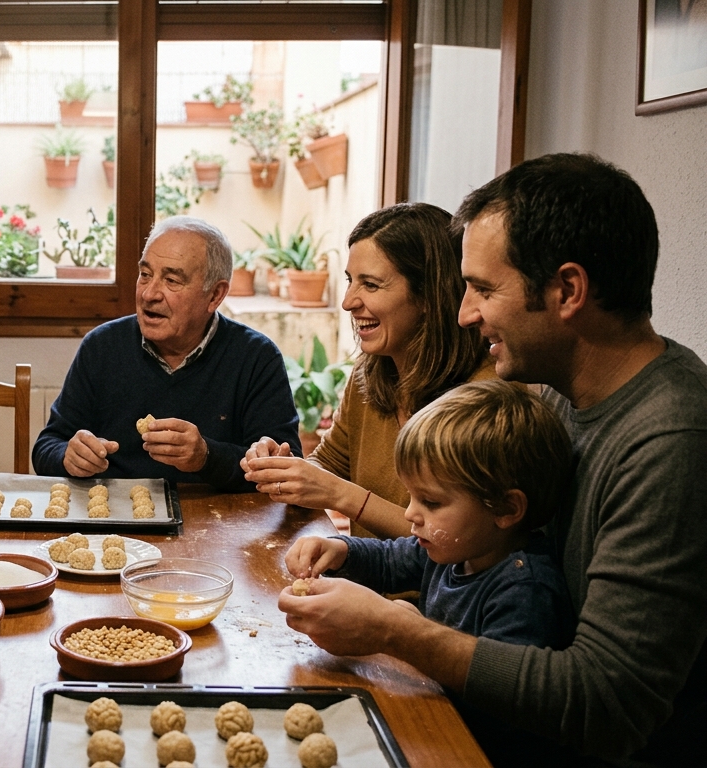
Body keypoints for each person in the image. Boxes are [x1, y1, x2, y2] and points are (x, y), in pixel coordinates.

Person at [277, 153, 707, 764]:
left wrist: (395, 630)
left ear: (567, 290)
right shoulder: (555, 395)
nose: (464, 313)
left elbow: (605, 704)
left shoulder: (670, 441)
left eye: (482, 289)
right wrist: (358, 556)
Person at [287, 379, 574, 764]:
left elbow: (502, 713)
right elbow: (390, 559)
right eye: (411, 496)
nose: (409, 514)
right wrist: (339, 550)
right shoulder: (455, 549)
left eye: (431, 502)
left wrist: (407, 638)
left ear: (506, 510)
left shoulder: (525, 591)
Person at [242, 203, 492, 538]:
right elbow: (328, 464)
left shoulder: (487, 397)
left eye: (370, 285)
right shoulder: (371, 375)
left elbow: (454, 540)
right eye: (350, 281)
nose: (348, 301)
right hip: (365, 584)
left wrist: (340, 493)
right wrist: (288, 472)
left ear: (429, 296)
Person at [31, 216, 299, 490]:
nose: (149, 294)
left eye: (171, 280)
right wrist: (68, 457)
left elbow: (285, 468)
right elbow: (47, 446)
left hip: (217, 522)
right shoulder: (103, 346)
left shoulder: (255, 358)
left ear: (215, 295)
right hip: (117, 519)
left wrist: (206, 457)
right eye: (145, 275)